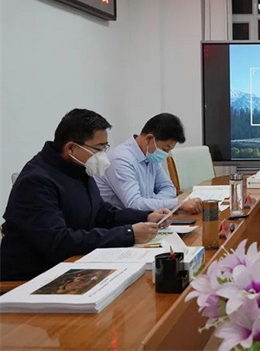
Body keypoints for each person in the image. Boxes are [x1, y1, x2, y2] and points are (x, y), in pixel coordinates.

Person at [1, 109, 169, 281]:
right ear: (71, 148)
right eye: (99, 148)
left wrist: (146, 216)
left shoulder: (79, 168)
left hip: (74, 265)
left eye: (105, 148)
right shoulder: (36, 181)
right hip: (32, 280)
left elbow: (104, 213)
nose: (103, 156)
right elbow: (58, 242)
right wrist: (128, 233)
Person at [95, 113, 203, 213]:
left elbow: (168, 187)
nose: (166, 154)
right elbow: (134, 204)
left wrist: (151, 203)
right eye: (165, 149)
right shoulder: (121, 159)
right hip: (117, 226)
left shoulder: (150, 156)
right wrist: (177, 203)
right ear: (149, 139)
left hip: (144, 219)